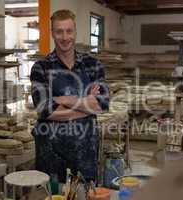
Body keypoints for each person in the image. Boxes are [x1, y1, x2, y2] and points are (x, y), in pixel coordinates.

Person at [30, 9, 109, 183]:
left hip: (85, 153)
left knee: (85, 194)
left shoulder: (92, 65)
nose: (65, 37)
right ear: (52, 33)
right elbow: (45, 110)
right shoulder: (41, 67)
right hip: (50, 153)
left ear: (75, 32)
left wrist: (62, 100)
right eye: (59, 31)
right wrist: (86, 105)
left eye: (69, 31)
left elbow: (102, 103)